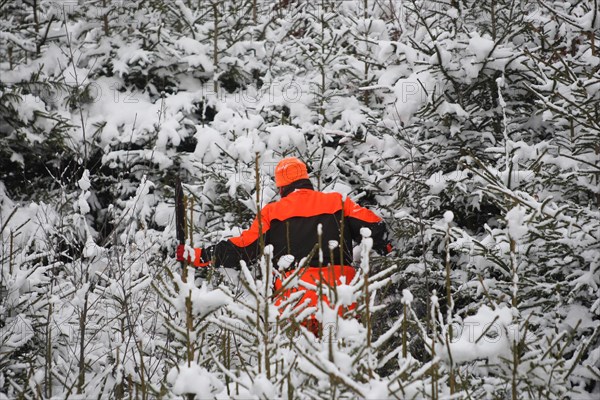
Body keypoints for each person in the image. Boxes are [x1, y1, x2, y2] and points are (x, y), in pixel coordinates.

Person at [176, 157, 391, 334]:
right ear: (306, 180)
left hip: (295, 301)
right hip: (341, 296)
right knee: (344, 365)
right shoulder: (338, 202)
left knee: (296, 371)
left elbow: (241, 249)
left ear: (281, 188)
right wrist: (386, 246)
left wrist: (197, 255)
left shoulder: (272, 212)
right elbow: (374, 227)